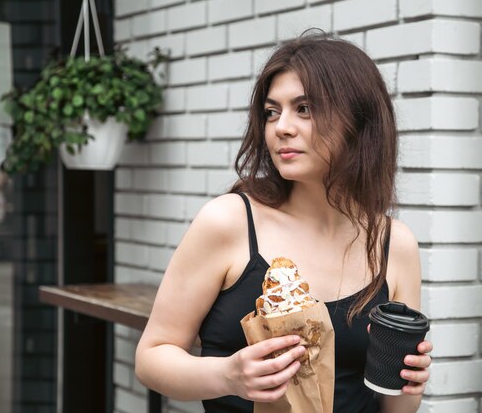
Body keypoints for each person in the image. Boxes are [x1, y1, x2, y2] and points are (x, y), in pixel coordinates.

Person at [135, 32, 433, 413]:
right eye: (272, 111)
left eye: (304, 109)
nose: (281, 127)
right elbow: (152, 356)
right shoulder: (229, 222)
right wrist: (228, 376)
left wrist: (409, 382)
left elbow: (396, 410)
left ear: (358, 121)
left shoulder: (394, 244)